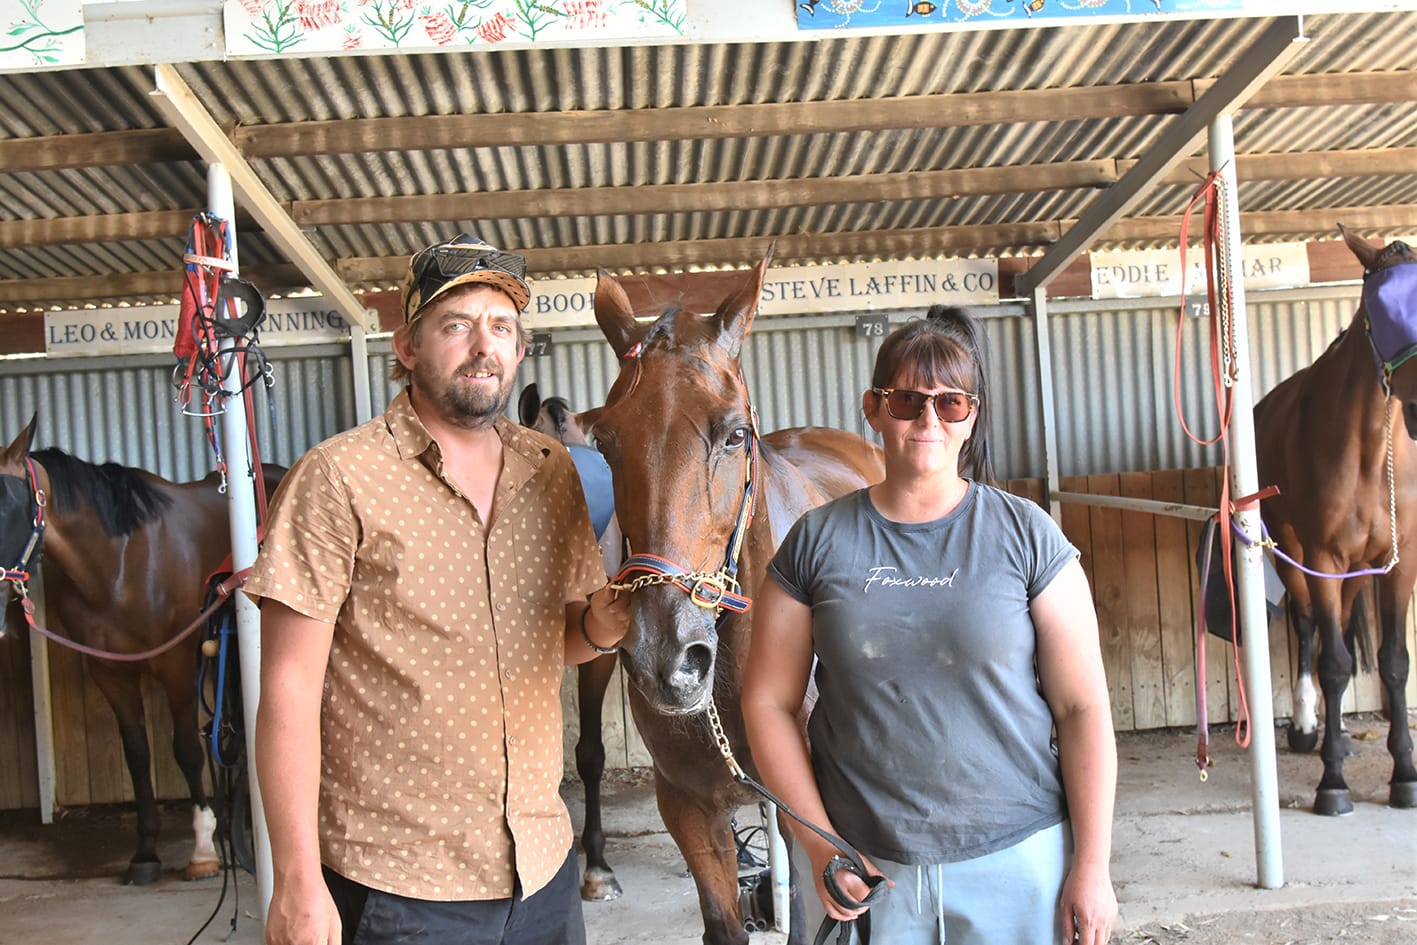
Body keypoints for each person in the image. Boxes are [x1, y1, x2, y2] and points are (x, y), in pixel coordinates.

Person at [248, 233, 629, 945]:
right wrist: (298, 879)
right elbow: (288, 691)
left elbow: (564, 639)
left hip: (542, 869)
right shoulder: (338, 478)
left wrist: (607, 623)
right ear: (407, 346)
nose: (483, 344)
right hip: (401, 883)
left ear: (519, 351)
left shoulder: (551, 471)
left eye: (502, 327)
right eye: (456, 325)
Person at [742, 305, 1118, 945]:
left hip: (1019, 859)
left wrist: (1093, 865)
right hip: (867, 870)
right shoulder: (817, 542)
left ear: (971, 417)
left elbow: (1083, 707)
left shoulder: (1026, 535)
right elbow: (768, 702)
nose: (928, 420)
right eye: (908, 401)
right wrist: (816, 841)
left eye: (951, 404)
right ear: (874, 408)